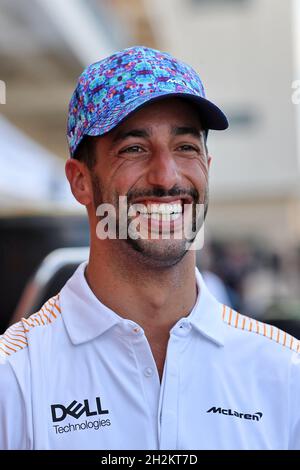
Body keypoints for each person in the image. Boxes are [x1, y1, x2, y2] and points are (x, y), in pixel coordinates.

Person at [0, 46, 299, 450]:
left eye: (186, 147)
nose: (166, 176)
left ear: (207, 166)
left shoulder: (285, 371)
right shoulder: (14, 376)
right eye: (134, 149)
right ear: (80, 181)